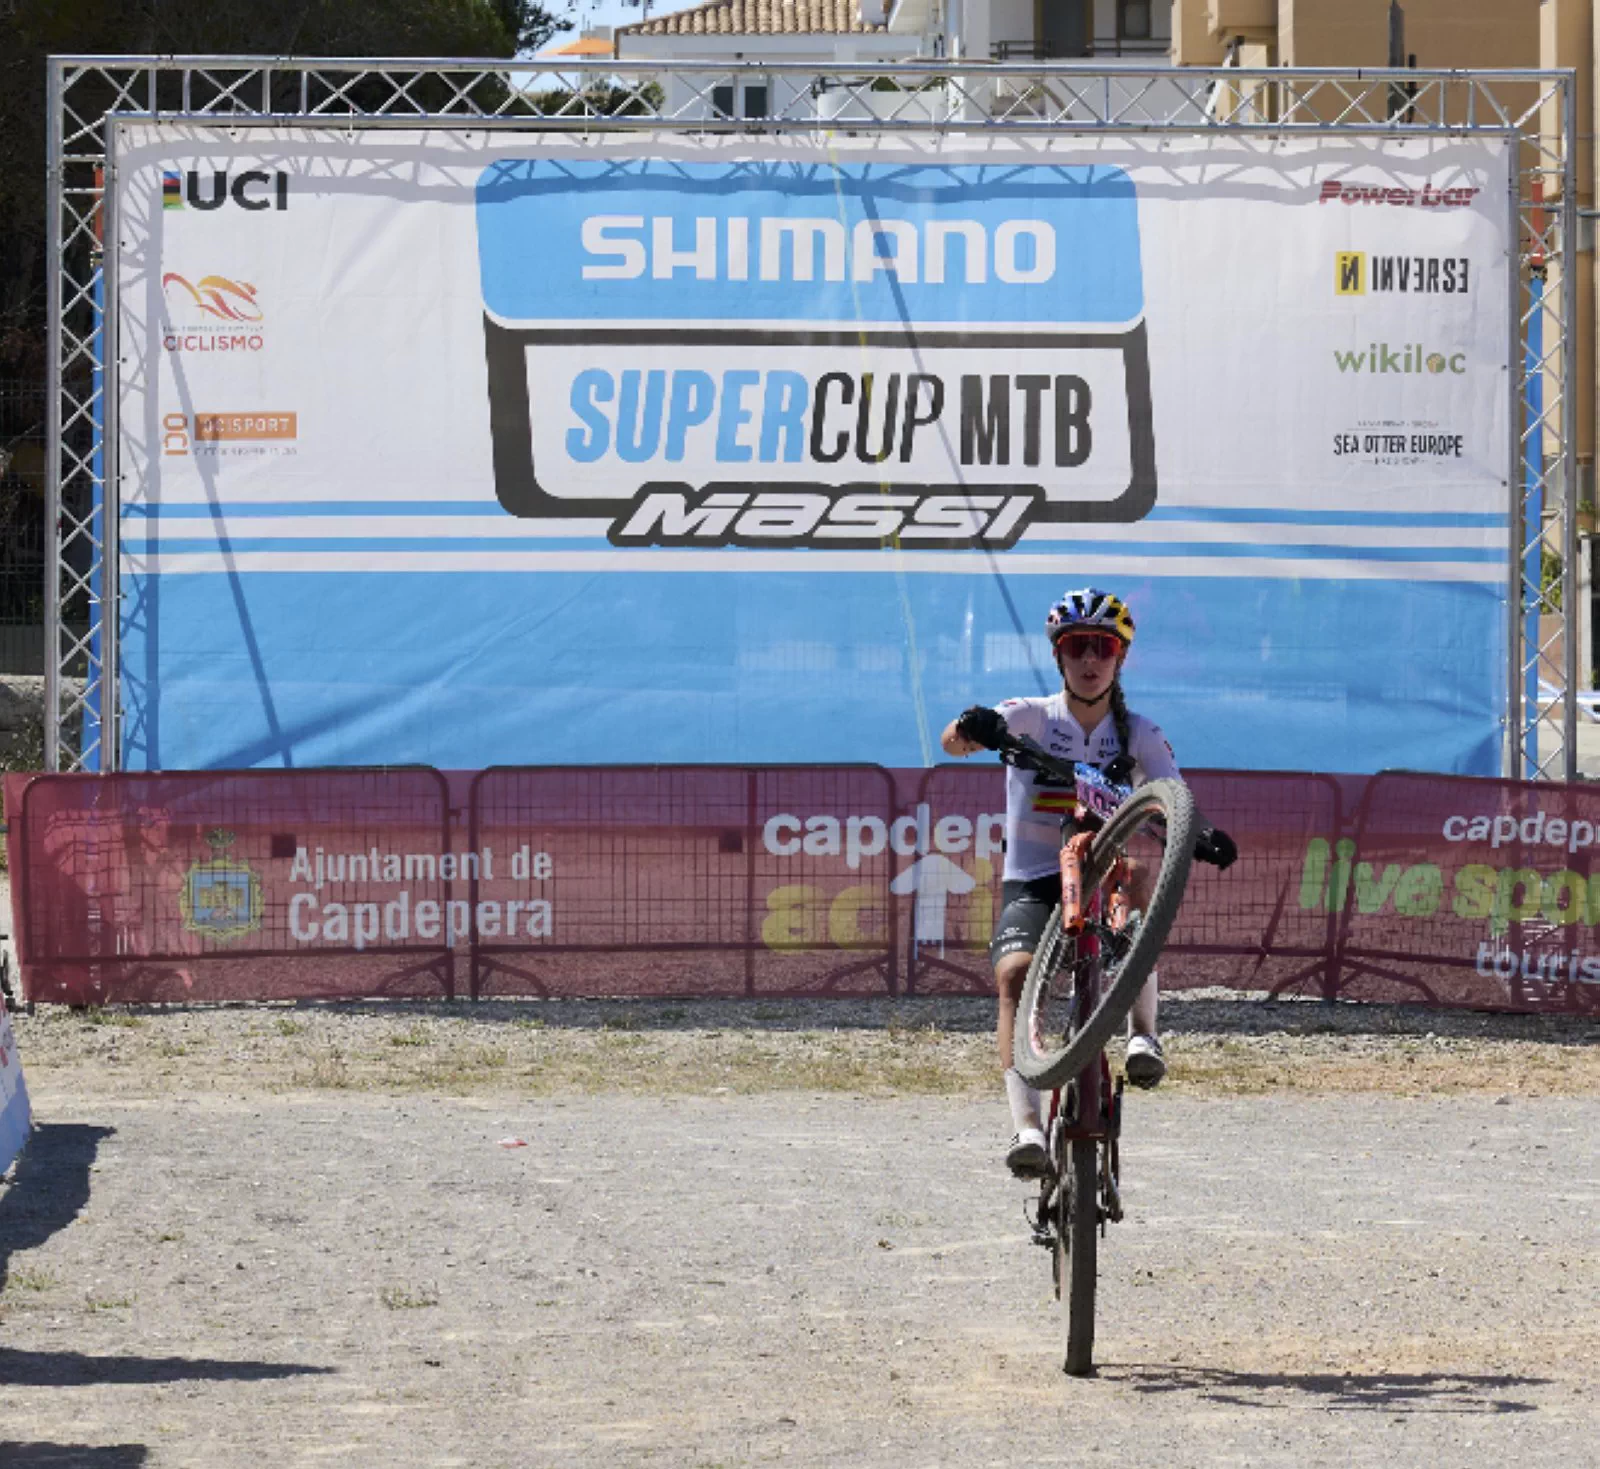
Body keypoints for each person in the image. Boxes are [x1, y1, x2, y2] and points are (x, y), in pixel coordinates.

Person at [940, 587, 1203, 1179]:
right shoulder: (1031, 716)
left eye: (1103, 648)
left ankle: (1144, 1038)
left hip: (1101, 872)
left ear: (1120, 658)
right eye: (1078, 647)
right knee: (1011, 976)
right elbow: (952, 743)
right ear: (1059, 656)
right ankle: (1027, 1128)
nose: (1091, 660)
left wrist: (1199, 832)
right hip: (1034, 880)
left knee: (1136, 878)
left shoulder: (1138, 731)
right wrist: (970, 725)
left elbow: (1174, 797)